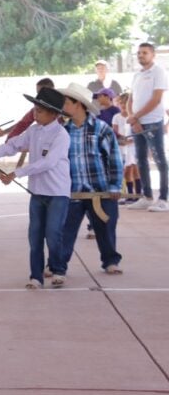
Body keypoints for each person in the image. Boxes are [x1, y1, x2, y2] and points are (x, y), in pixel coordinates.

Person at [0, 87, 71, 289]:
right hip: (37, 192)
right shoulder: (33, 131)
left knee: (53, 232)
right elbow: (12, 145)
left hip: (57, 193)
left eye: (39, 111)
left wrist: (17, 173)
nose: (34, 113)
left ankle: (58, 270)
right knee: (35, 234)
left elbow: (48, 163)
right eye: (35, 109)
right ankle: (36, 276)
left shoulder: (61, 135)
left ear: (54, 114)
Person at [53, 83, 124, 277]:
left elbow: (114, 159)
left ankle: (110, 261)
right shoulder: (61, 131)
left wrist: (115, 185)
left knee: (106, 228)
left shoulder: (102, 129)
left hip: (100, 190)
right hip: (71, 191)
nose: (63, 106)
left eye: (66, 102)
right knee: (64, 231)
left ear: (79, 104)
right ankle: (58, 265)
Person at [126, 43, 168, 211]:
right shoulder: (136, 75)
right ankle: (147, 196)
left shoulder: (159, 72)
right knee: (140, 160)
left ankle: (163, 199)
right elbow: (130, 99)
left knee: (159, 160)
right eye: (138, 53)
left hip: (153, 123)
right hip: (137, 124)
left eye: (144, 53)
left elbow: (156, 99)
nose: (140, 55)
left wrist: (136, 117)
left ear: (153, 54)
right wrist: (133, 118)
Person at [112, 93, 141, 202]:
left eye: (125, 103)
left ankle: (138, 194)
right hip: (122, 146)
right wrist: (123, 140)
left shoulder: (134, 116)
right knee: (126, 171)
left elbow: (138, 131)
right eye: (121, 103)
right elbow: (114, 132)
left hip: (133, 145)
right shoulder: (116, 117)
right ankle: (129, 194)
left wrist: (131, 140)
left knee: (135, 169)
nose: (123, 106)